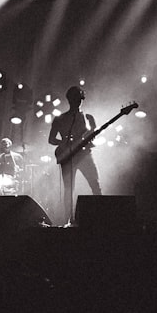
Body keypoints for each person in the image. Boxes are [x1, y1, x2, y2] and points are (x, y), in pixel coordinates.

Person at [48, 86, 101, 225]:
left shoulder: (88, 118)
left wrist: (92, 133)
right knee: (69, 189)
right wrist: (64, 143)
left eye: (78, 98)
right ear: (70, 99)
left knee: (95, 184)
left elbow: (92, 136)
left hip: (85, 154)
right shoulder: (60, 119)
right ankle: (68, 220)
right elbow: (51, 139)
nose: (77, 101)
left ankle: (102, 214)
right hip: (68, 156)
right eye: (74, 98)